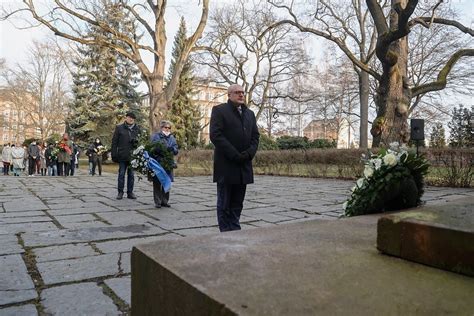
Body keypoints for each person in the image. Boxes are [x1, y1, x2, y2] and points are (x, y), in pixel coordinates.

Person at [209, 83, 260, 232]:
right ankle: (226, 232)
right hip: (227, 165)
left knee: (238, 202)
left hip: (243, 165)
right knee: (224, 202)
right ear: (229, 95)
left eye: (242, 92)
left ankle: (235, 227)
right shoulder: (219, 110)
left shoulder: (249, 114)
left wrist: (249, 153)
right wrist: (234, 154)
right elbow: (216, 135)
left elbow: (255, 137)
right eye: (237, 92)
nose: (241, 95)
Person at [111, 112, 141, 200]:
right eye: (129, 117)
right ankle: (120, 192)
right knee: (121, 174)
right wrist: (114, 154)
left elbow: (141, 142)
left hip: (133, 156)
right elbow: (114, 142)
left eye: (132, 118)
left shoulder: (137, 129)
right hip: (122, 155)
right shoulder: (119, 128)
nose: (131, 119)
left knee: (131, 175)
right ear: (126, 118)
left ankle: (130, 192)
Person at [150, 120, 179, 208]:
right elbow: (152, 147)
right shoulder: (156, 136)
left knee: (167, 182)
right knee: (157, 182)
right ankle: (158, 202)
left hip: (168, 163)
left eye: (169, 128)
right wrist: (158, 150)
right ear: (161, 128)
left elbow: (176, 149)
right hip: (158, 162)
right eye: (165, 127)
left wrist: (172, 149)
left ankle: (165, 201)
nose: (167, 129)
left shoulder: (172, 138)